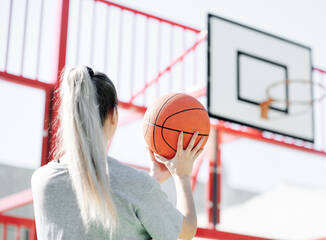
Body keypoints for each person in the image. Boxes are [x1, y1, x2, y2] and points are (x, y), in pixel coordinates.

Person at [31, 66, 204, 240]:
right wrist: (182, 176)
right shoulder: (138, 186)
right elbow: (185, 231)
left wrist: (152, 180)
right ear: (113, 115)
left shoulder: (42, 180)